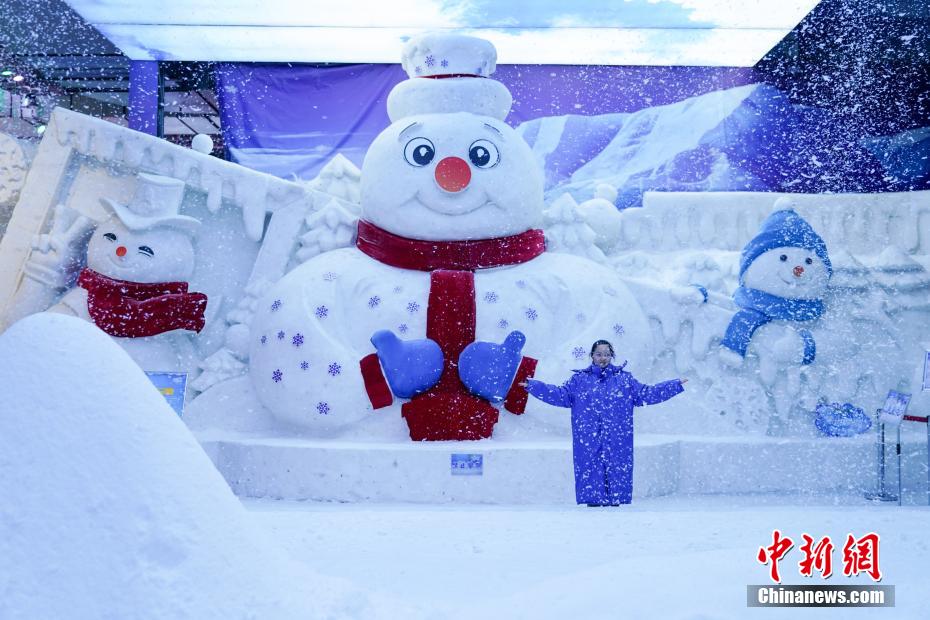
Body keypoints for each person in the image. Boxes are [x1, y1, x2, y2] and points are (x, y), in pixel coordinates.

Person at [520, 340, 687, 507]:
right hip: (588, 439)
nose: (603, 358)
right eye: (599, 354)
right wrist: (534, 386)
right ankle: (593, 505)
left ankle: (615, 503)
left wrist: (674, 385)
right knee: (591, 476)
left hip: (617, 438)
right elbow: (559, 394)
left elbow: (647, 393)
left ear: (612, 356)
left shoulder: (625, 380)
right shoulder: (579, 380)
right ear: (592, 355)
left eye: (607, 354)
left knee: (617, 476)